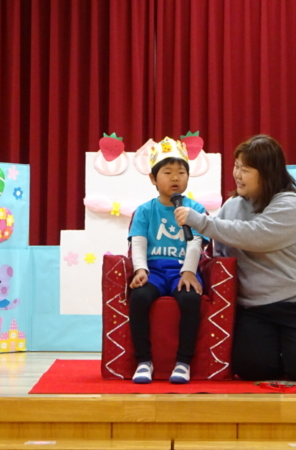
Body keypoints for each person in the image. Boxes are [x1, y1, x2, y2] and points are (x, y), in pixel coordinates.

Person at [175, 134, 296, 383]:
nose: (237, 175)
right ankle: (281, 353)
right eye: (236, 166)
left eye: (245, 170)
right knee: (251, 369)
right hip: (254, 309)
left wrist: (200, 221)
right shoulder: (231, 206)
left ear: (267, 173)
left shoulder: (290, 205)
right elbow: (221, 254)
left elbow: (255, 235)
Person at [128, 137, 207, 384]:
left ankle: (183, 362)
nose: (175, 178)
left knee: (190, 299)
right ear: (153, 178)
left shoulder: (195, 208)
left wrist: (189, 272)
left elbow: (195, 242)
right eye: (168, 172)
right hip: (154, 271)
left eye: (181, 172)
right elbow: (138, 242)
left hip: (182, 270)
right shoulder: (145, 210)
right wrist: (140, 270)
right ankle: (144, 361)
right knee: (139, 297)